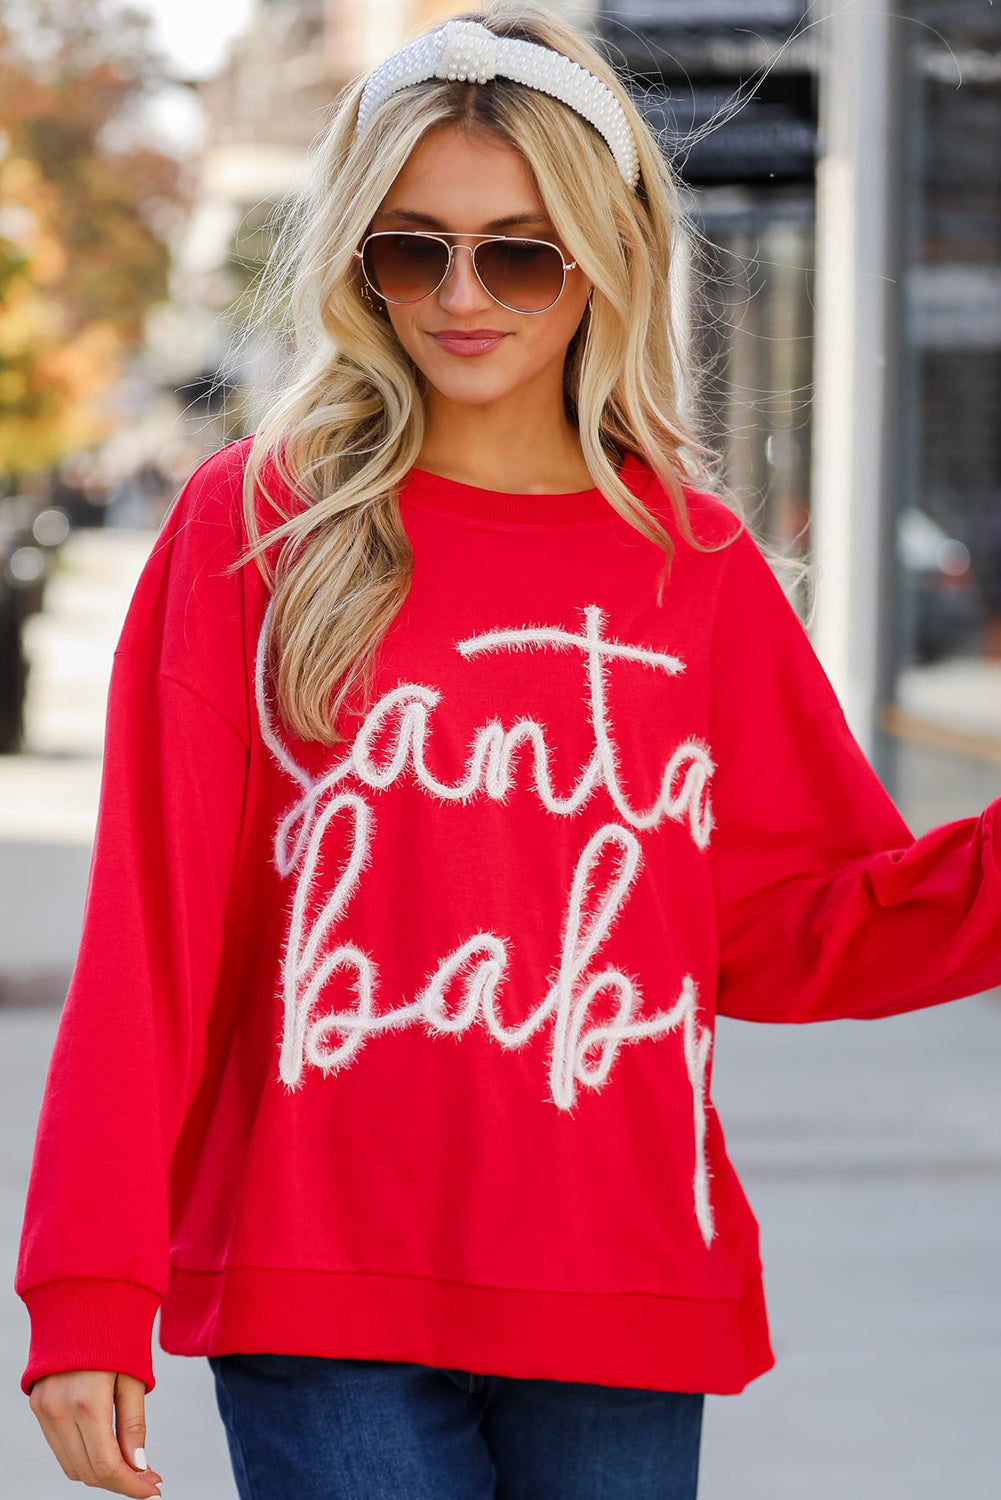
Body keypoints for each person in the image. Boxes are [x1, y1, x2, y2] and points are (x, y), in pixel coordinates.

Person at [14, 6, 1001, 1498]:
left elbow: (797, 925)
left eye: (518, 251)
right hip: (314, 1278)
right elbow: (154, 928)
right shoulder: (259, 530)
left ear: (604, 257)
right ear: (359, 264)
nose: (460, 296)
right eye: (412, 250)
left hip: (612, 1277)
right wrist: (87, 1283)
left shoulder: (695, 564)